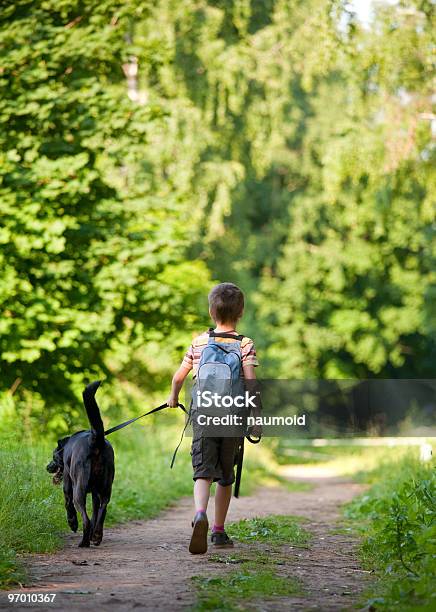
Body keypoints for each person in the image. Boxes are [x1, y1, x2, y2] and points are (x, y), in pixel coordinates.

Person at [167, 282, 261, 554]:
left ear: (211, 311)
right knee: (225, 476)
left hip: (204, 414)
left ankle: (199, 514)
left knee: (203, 471)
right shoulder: (245, 344)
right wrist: (256, 417)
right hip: (232, 416)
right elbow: (252, 384)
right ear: (241, 312)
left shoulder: (198, 343)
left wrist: (174, 397)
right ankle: (218, 532)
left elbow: (178, 377)